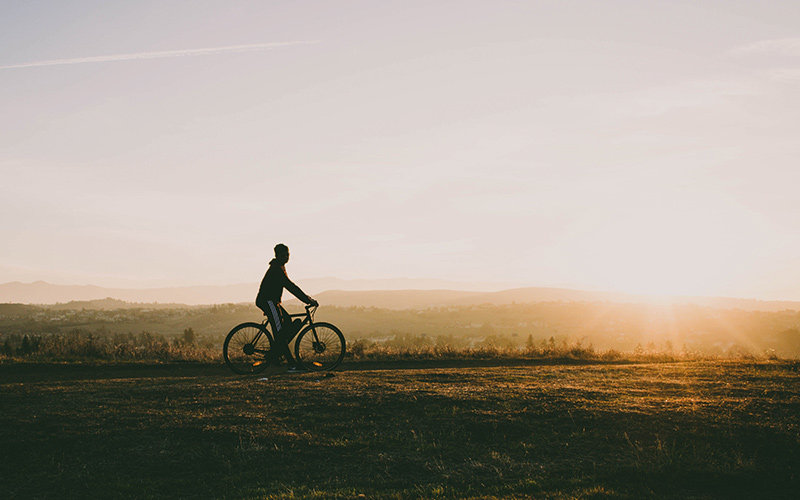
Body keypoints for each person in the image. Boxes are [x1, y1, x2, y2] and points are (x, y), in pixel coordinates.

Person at [255, 243, 318, 372]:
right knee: (279, 333)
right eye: (283, 255)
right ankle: (291, 364)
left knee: (288, 321)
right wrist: (307, 300)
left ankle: (277, 352)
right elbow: (290, 286)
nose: (286, 257)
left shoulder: (280, 267)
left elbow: (290, 286)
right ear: (277, 256)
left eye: (287, 254)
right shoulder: (276, 269)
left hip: (273, 302)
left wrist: (307, 299)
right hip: (268, 302)